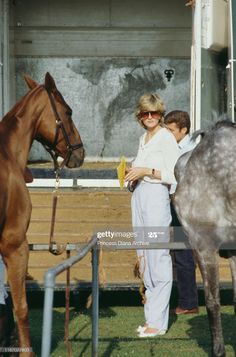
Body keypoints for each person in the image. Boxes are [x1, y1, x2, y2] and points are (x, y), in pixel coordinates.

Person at [125, 93, 179, 337]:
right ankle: (151, 319)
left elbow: (176, 174)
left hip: (157, 196)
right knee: (144, 254)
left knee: (158, 255)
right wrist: (131, 176)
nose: (150, 117)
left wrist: (146, 170)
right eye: (145, 113)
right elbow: (140, 171)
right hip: (139, 195)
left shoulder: (167, 138)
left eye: (154, 113)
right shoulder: (142, 138)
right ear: (140, 115)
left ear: (160, 114)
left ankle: (158, 323)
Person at [164, 110, 198, 314]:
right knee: (177, 253)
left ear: (183, 130)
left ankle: (188, 303)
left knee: (184, 254)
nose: (167, 134)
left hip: (183, 206)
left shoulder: (191, 150)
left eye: (171, 130)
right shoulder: (171, 146)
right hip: (169, 203)